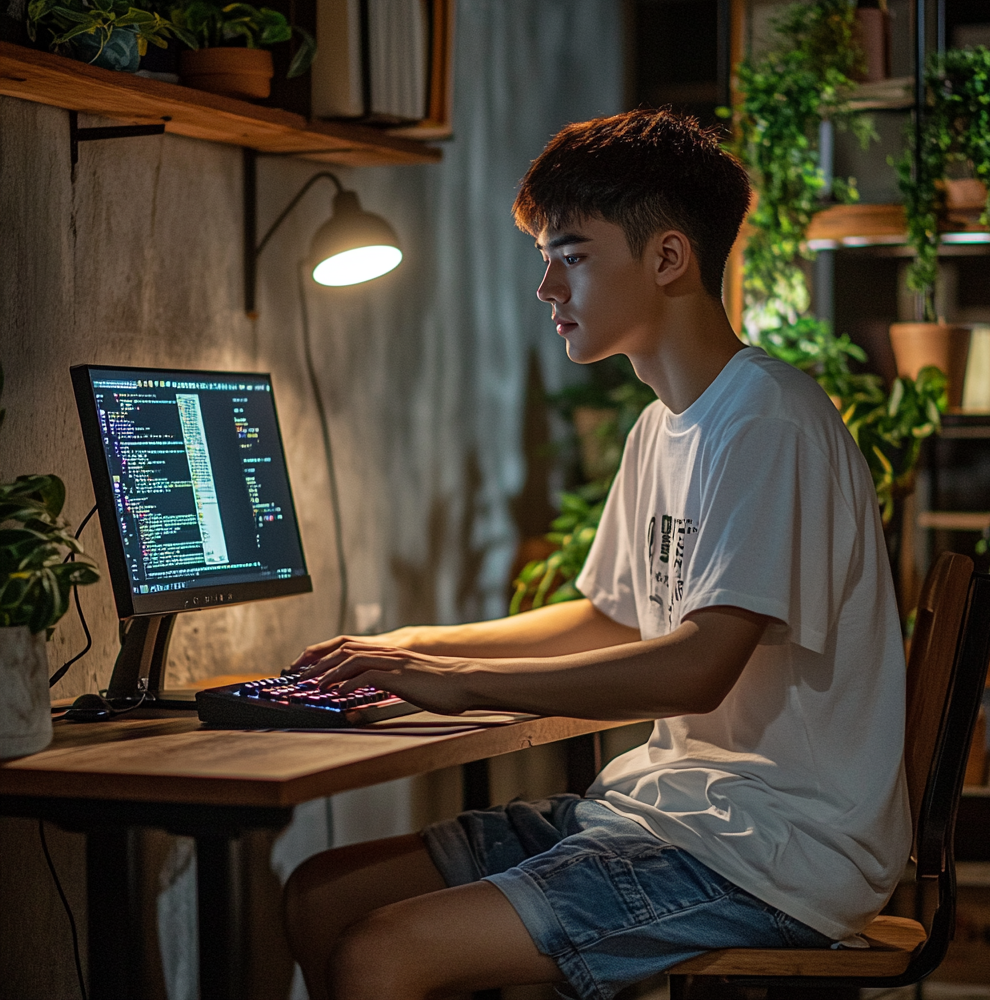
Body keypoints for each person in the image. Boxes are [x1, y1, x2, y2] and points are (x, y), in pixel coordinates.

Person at [283, 108, 911, 1000]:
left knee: (381, 953)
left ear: (666, 259)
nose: (546, 287)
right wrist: (420, 648)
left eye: (571, 255)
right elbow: (609, 615)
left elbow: (697, 670)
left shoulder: (768, 420)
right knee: (322, 894)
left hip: (777, 852)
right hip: (675, 814)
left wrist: (457, 683)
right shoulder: (662, 426)